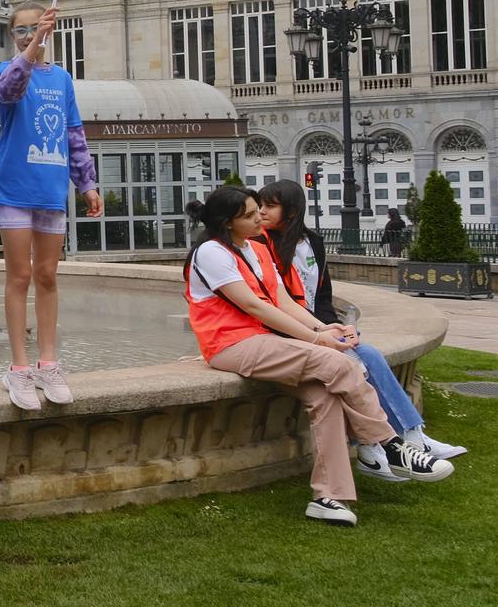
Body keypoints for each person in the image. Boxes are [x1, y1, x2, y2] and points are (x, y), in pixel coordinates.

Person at [184, 185, 450, 527]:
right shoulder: (211, 252)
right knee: (339, 363)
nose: (258, 218)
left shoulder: (257, 247)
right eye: (249, 215)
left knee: (325, 395)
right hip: (231, 345)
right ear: (226, 222)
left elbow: (282, 301)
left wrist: (322, 330)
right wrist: (315, 340)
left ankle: (328, 497)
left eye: (258, 211)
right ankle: (388, 443)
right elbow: (252, 305)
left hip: (264, 342)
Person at [255, 180, 466, 471]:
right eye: (260, 205)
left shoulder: (312, 241)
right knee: (354, 362)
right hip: (292, 332)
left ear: (291, 210)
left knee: (368, 354)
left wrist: (338, 326)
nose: (261, 211)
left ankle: (413, 435)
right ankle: (376, 444)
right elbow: (275, 303)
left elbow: (323, 296)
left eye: (270, 205)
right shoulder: (261, 244)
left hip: (317, 325)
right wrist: (323, 333)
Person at [0, 4, 102, 410]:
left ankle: (48, 362)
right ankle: (18, 368)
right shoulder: (8, 69)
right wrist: (34, 45)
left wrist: (86, 183)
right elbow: (8, 91)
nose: (26, 34)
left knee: (48, 275)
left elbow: (74, 133)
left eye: (33, 28)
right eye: (19, 30)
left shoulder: (62, 79)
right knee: (19, 275)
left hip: (51, 191)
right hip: (15, 189)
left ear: (49, 29)